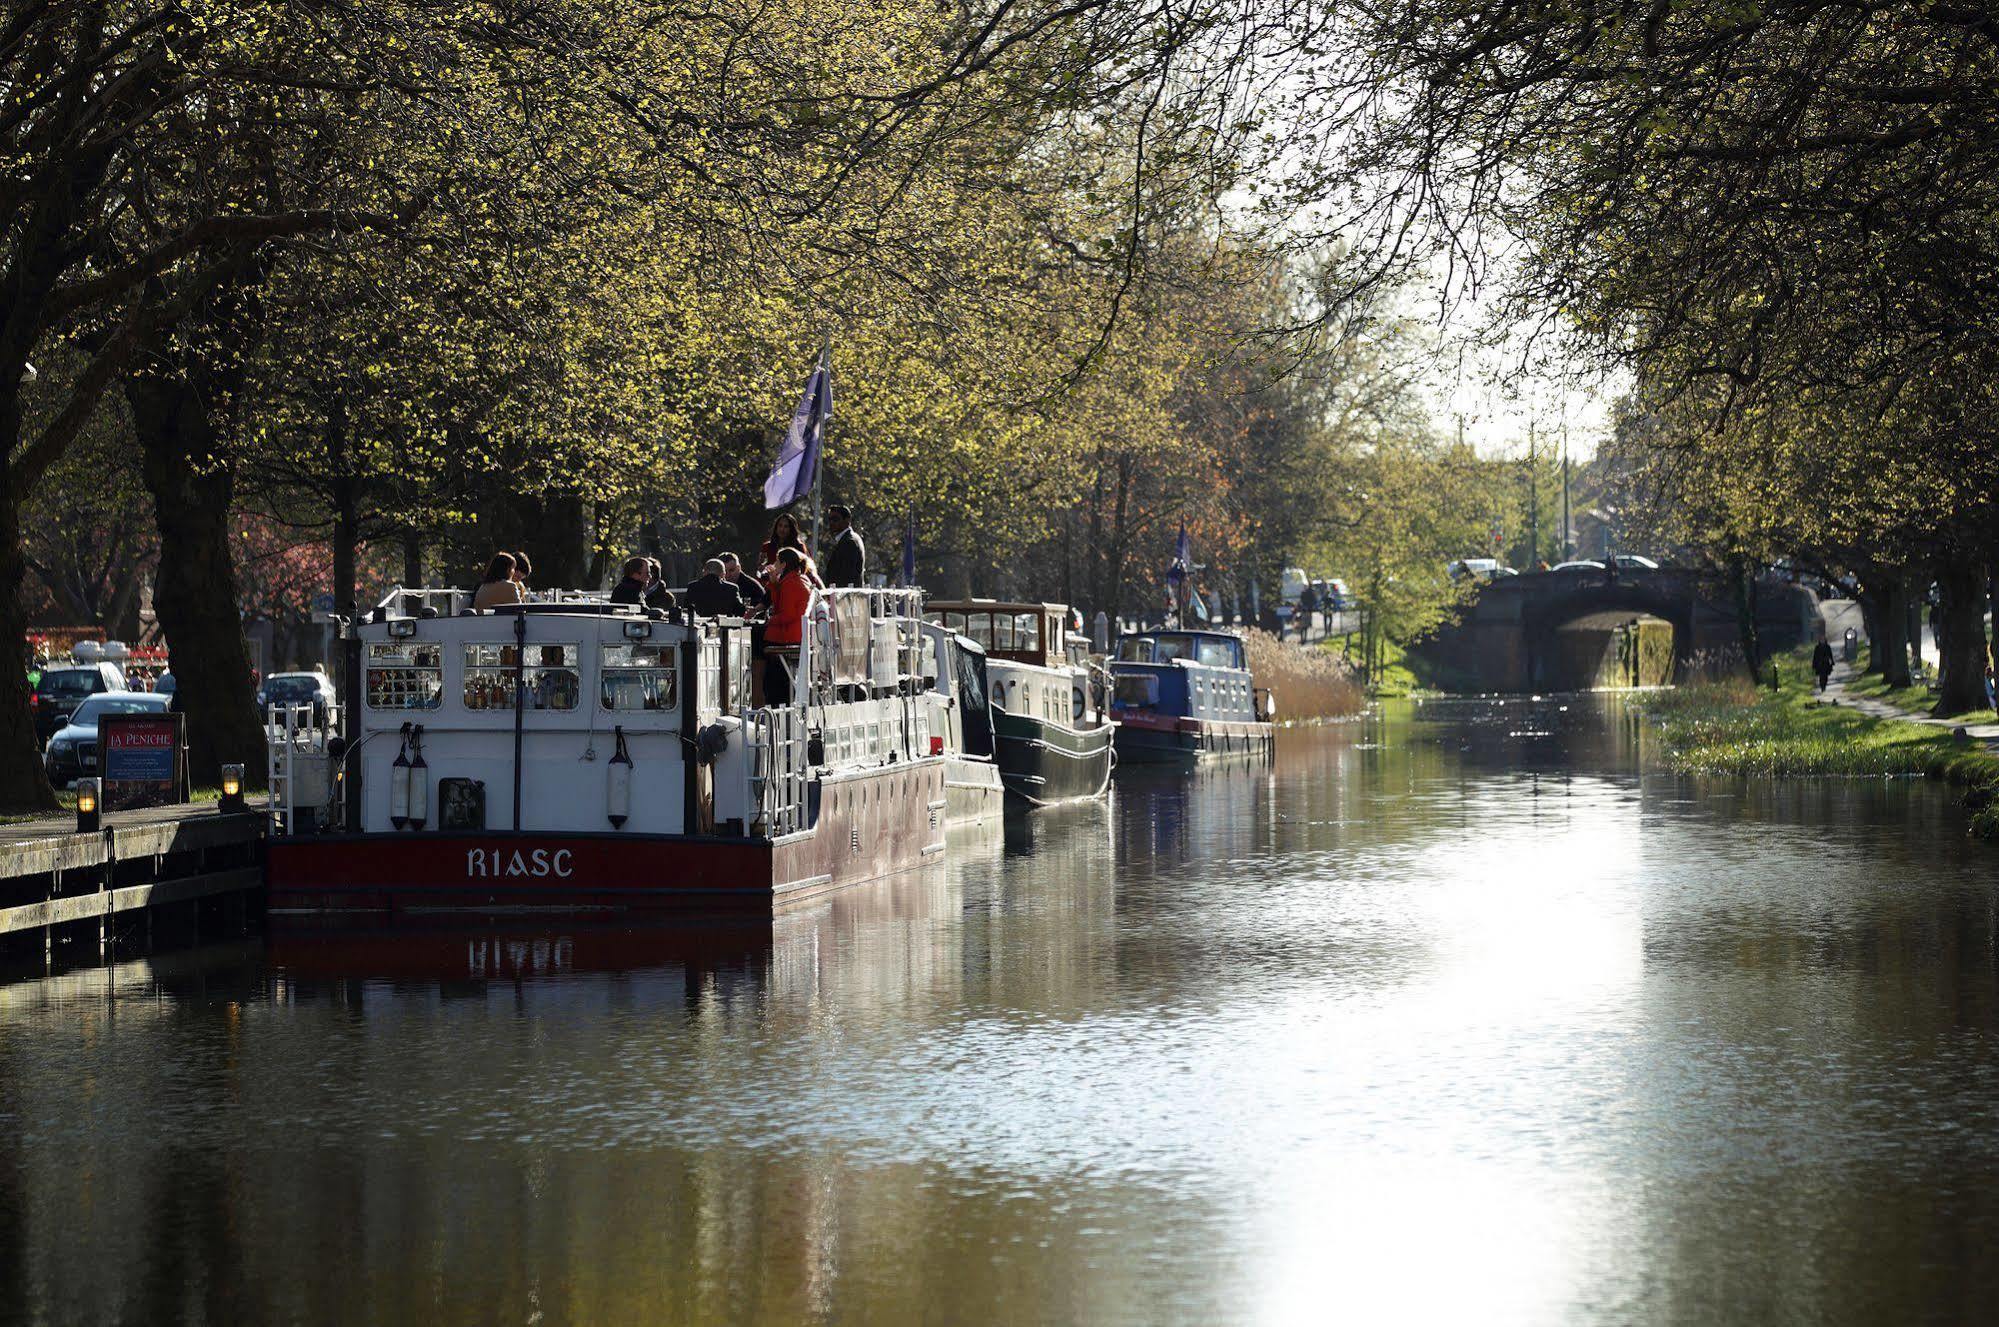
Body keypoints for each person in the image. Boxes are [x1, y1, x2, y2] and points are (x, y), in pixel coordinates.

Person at [763, 546, 812, 705]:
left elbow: (788, 614)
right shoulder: (796, 579)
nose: (774, 564)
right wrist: (774, 584)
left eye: (777, 561)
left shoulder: (791, 583)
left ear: (783, 564)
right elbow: (781, 605)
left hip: (787, 636)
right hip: (794, 634)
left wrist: (770, 620)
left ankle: (775, 706)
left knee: (774, 679)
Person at [823, 504, 865, 587]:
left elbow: (846, 575)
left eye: (835, 519)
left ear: (847, 520)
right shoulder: (850, 539)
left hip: (845, 595)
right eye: (830, 519)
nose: (831, 523)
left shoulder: (850, 542)